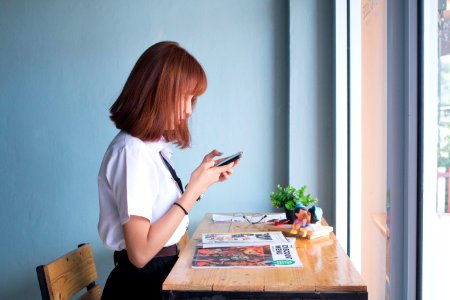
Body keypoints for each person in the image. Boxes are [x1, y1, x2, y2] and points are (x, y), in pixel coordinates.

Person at [97, 41, 239, 299]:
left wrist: (200, 184)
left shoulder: (149, 148)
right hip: (141, 286)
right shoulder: (132, 152)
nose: (188, 109)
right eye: (184, 96)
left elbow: (161, 218)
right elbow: (140, 254)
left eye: (192, 99)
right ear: (156, 91)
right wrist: (192, 191)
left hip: (159, 276)